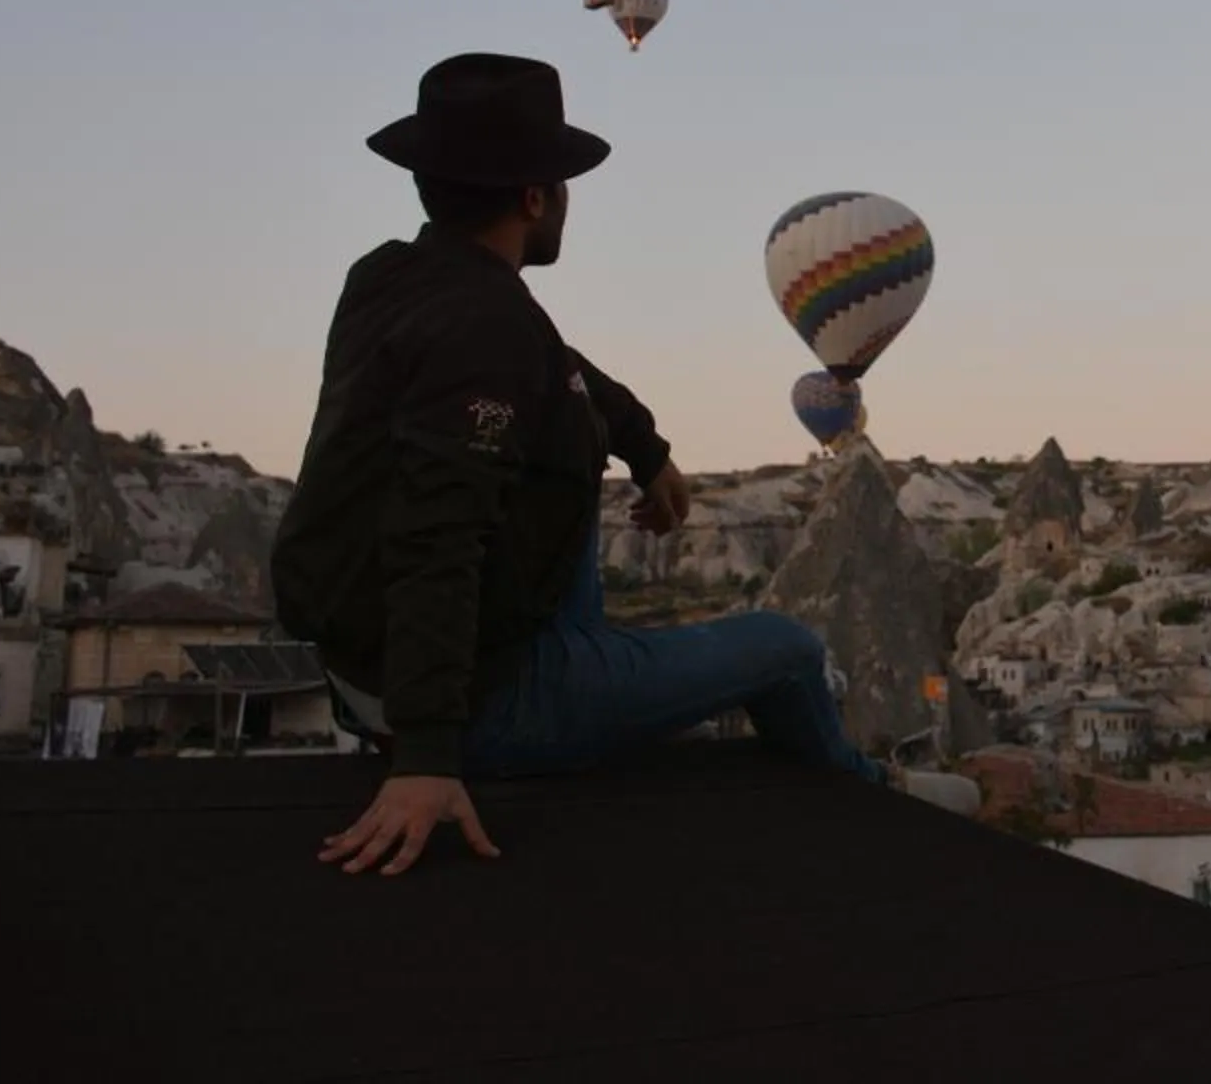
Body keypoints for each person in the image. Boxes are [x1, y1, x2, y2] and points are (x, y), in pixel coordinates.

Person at [268, 51, 978, 878]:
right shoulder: (486, 328)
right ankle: (872, 788)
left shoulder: (394, 279)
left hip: (365, 660)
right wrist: (427, 758)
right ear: (536, 197)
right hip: (481, 708)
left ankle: (601, 671)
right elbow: (437, 537)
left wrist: (645, 449)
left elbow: (554, 365)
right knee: (785, 648)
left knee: (562, 459)